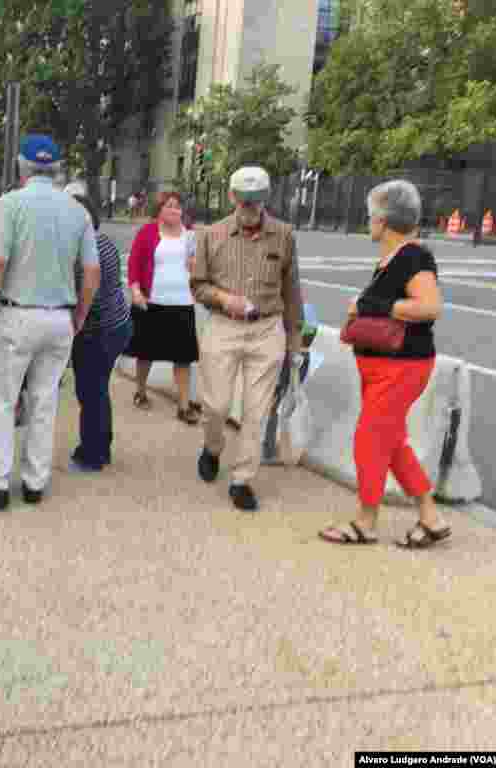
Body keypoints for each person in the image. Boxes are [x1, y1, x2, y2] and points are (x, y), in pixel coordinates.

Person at [0, 134, 100, 510]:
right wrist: (78, 317)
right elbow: (92, 273)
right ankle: (34, 482)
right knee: (45, 400)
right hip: (59, 317)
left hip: (17, 314)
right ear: (57, 169)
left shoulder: (9, 205)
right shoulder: (78, 212)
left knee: (1, 399)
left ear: (22, 167)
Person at [319, 180, 450, 548]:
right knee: (391, 442)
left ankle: (366, 521)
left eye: (371, 214)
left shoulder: (413, 256)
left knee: (370, 439)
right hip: (385, 367)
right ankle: (430, 517)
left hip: (401, 366)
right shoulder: (395, 258)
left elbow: (429, 307)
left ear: (384, 221)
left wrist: (372, 306)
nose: (368, 220)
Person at [190, 166, 303, 512]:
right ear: (232, 197)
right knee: (216, 405)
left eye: (256, 201)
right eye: (244, 200)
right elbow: (198, 286)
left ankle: (242, 479)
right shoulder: (212, 234)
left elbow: (292, 289)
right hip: (224, 325)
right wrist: (226, 300)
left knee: (257, 411)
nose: (250, 208)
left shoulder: (284, 235)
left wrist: (295, 341)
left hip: (267, 328)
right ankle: (212, 447)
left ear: (266, 199)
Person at [68, 194, 132, 472]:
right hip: (115, 325)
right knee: (96, 389)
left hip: (99, 329)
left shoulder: (87, 248)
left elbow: (86, 295)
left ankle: (92, 454)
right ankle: (100, 446)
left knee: (91, 389)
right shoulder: (101, 240)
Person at [125, 191, 201, 423]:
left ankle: (184, 405)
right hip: (152, 301)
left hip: (182, 302)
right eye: (169, 206)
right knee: (146, 353)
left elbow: (197, 267)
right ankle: (140, 390)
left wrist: (194, 266)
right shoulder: (148, 232)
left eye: (177, 207)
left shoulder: (190, 236)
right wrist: (136, 291)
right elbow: (134, 263)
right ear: (159, 210)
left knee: (182, 357)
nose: (174, 211)